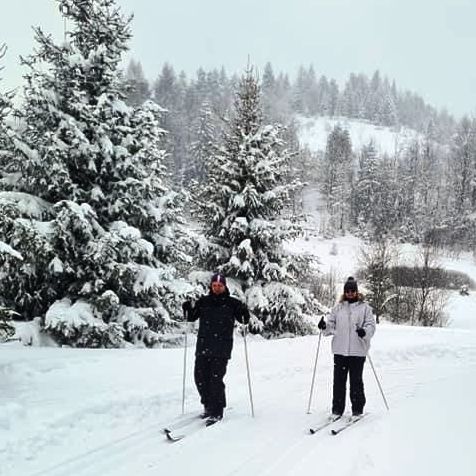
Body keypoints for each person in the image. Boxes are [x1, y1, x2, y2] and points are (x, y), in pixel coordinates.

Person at [182, 272, 250, 426]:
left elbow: (243, 319)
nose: (217, 288)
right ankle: (208, 405)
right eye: (214, 285)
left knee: (215, 379)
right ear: (211, 286)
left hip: (222, 347)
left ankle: (217, 411)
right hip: (203, 346)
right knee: (200, 378)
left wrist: (245, 312)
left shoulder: (233, 303)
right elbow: (191, 317)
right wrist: (186, 308)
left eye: (220, 286)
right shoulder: (204, 302)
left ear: (224, 286)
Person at [318, 276, 376, 419]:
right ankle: (337, 410)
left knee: (356, 381)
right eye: (347, 291)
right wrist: (324, 326)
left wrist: (365, 332)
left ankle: (357, 410)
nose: (350, 293)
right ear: (344, 292)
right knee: (338, 382)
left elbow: (371, 325)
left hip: (358, 351)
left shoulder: (365, 308)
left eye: (352, 290)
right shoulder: (338, 308)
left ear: (357, 291)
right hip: (340, 350)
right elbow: (331, 325)